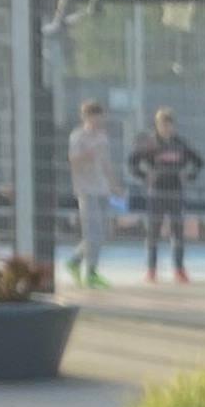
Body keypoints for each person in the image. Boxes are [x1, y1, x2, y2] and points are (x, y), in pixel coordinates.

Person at [128, 105, 200, 283]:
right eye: (163, 124)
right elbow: (132, 163)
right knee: (153, 232)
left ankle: (179, 269)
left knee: (177, 232)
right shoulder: (150, 144)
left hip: (176, 192)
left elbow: (199, 162)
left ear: (173, 125)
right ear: (157, 125)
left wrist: (188, 175)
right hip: (156, 193)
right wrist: (145, 175)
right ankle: (151, 270)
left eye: (169, 124)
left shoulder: (180, 144)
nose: (166, 128)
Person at [66, 98, 121, 286]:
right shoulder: (77, 136)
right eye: (93, 117)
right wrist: (86, 155)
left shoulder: (102, 137)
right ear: (85, 117)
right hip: (86, 189)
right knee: (92, 233)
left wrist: (114, 185)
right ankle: (91, 272)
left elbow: (106, 163)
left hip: (102, 189)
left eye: (100, 117)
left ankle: (74, 260)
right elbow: (73, 160)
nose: (97, 121)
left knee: (101, 233)